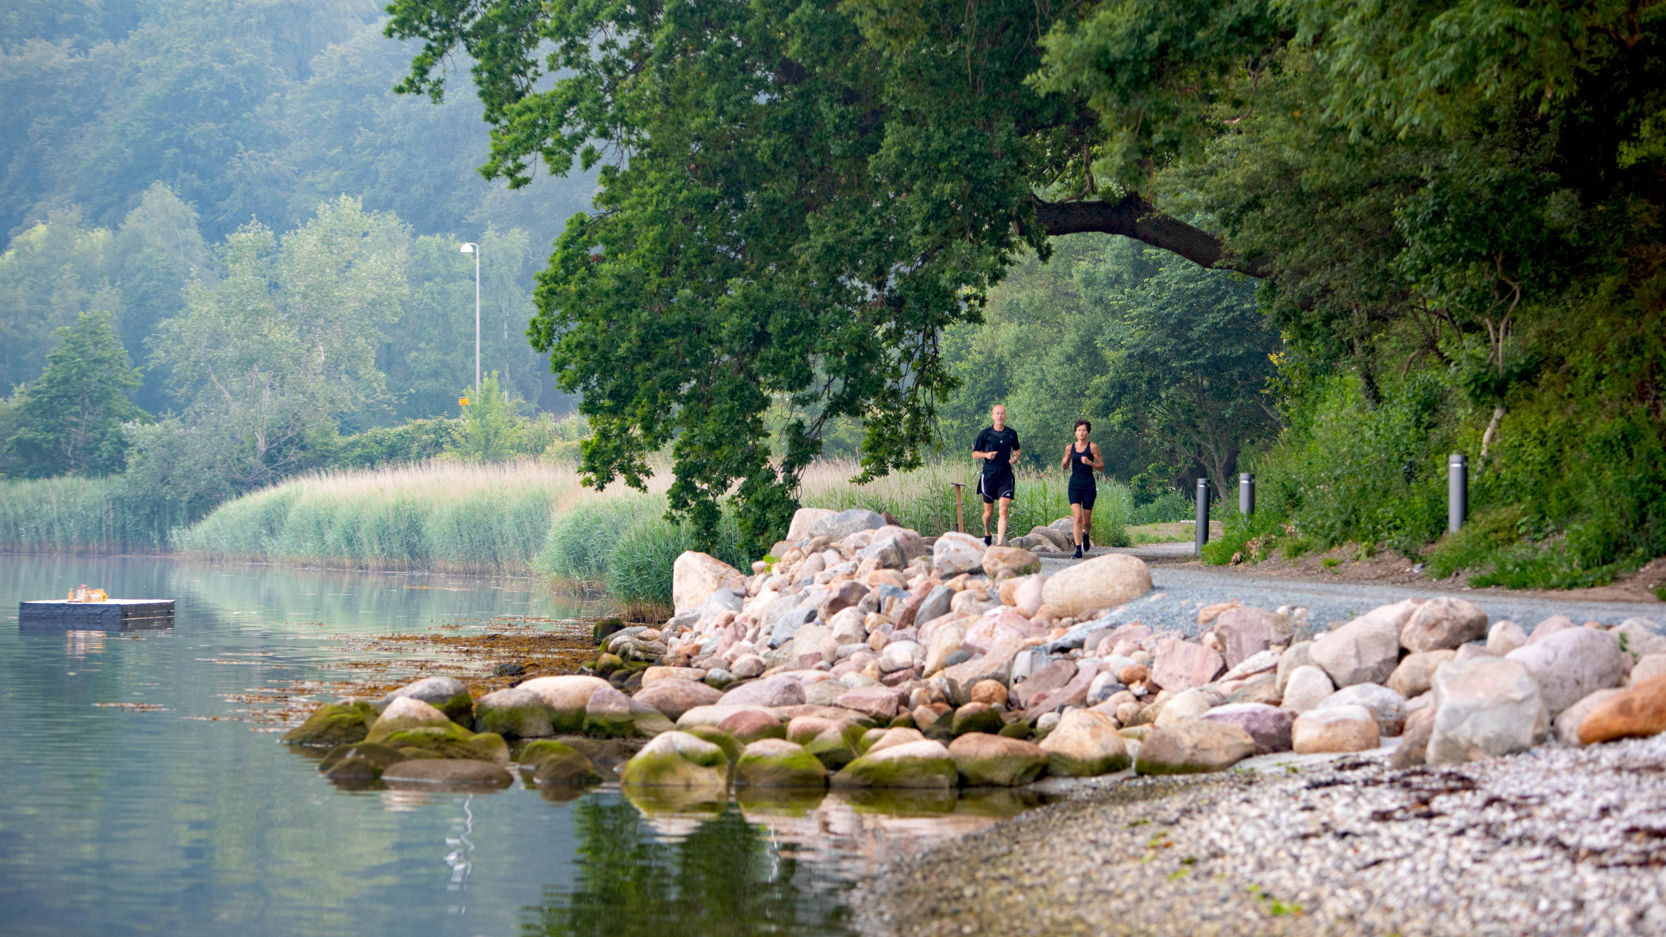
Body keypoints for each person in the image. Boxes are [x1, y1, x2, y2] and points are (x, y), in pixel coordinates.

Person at [971, 404, 1021, 546]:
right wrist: (986, 454)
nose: (999, 416)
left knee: (1003, 510)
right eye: (997, 413)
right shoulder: (985, 434)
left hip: (1005, 476)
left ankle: (999, 543)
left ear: (1005, 416)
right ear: (993, 416)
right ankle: (987, 533)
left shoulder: (1011, 434)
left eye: (1002, 413)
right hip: (989, 476)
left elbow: (1017, 450)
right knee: (988, 513)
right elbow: (975, 454)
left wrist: (1015, 458)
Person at [1059, 419, 1103, 558]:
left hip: (1088, 485)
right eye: (1079, 430)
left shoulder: (1092, 447)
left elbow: (1101, 467)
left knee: (1086, 521)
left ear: (1088, 432)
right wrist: (1065, 462)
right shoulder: (1069, 447)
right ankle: (1078, 550)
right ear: (1075, 432)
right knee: (1077, 517)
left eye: (1084, 430)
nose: (1081, 432)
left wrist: (1090, 462)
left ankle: (1086, 534)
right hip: (1074, 485)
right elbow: (1064, 466)